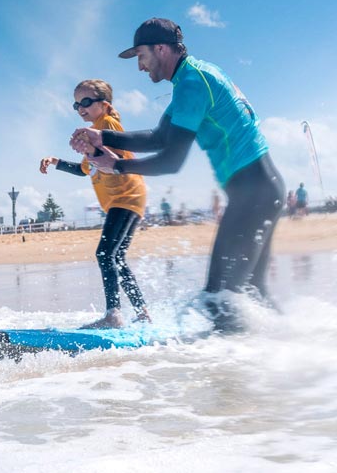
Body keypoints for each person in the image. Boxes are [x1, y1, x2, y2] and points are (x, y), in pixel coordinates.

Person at [71, 18, 285, 331]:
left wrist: (116, 165)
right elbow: (159, 137)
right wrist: (102, 138)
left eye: (142, 56)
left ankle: (233, 373)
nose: (141, 67)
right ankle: (293, 348)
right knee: (252, 294)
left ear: (161, 49)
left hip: (254, 192)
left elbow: (171, 160)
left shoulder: (193, 82)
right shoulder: (193, 76)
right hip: (261, 190)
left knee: (219, 300)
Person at [40, 79, 150, 328]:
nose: (80, 108)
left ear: (104, 103)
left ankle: (113, 315)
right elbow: (83, 170)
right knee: (117, 257)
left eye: (86, 102)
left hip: (126, 195)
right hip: (128, 198)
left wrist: (92, 149)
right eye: (76, 104)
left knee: (104, 253)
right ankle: (142, 311)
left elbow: (118, 158)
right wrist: (57, 161)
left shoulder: (107, 125)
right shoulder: (94, 132)